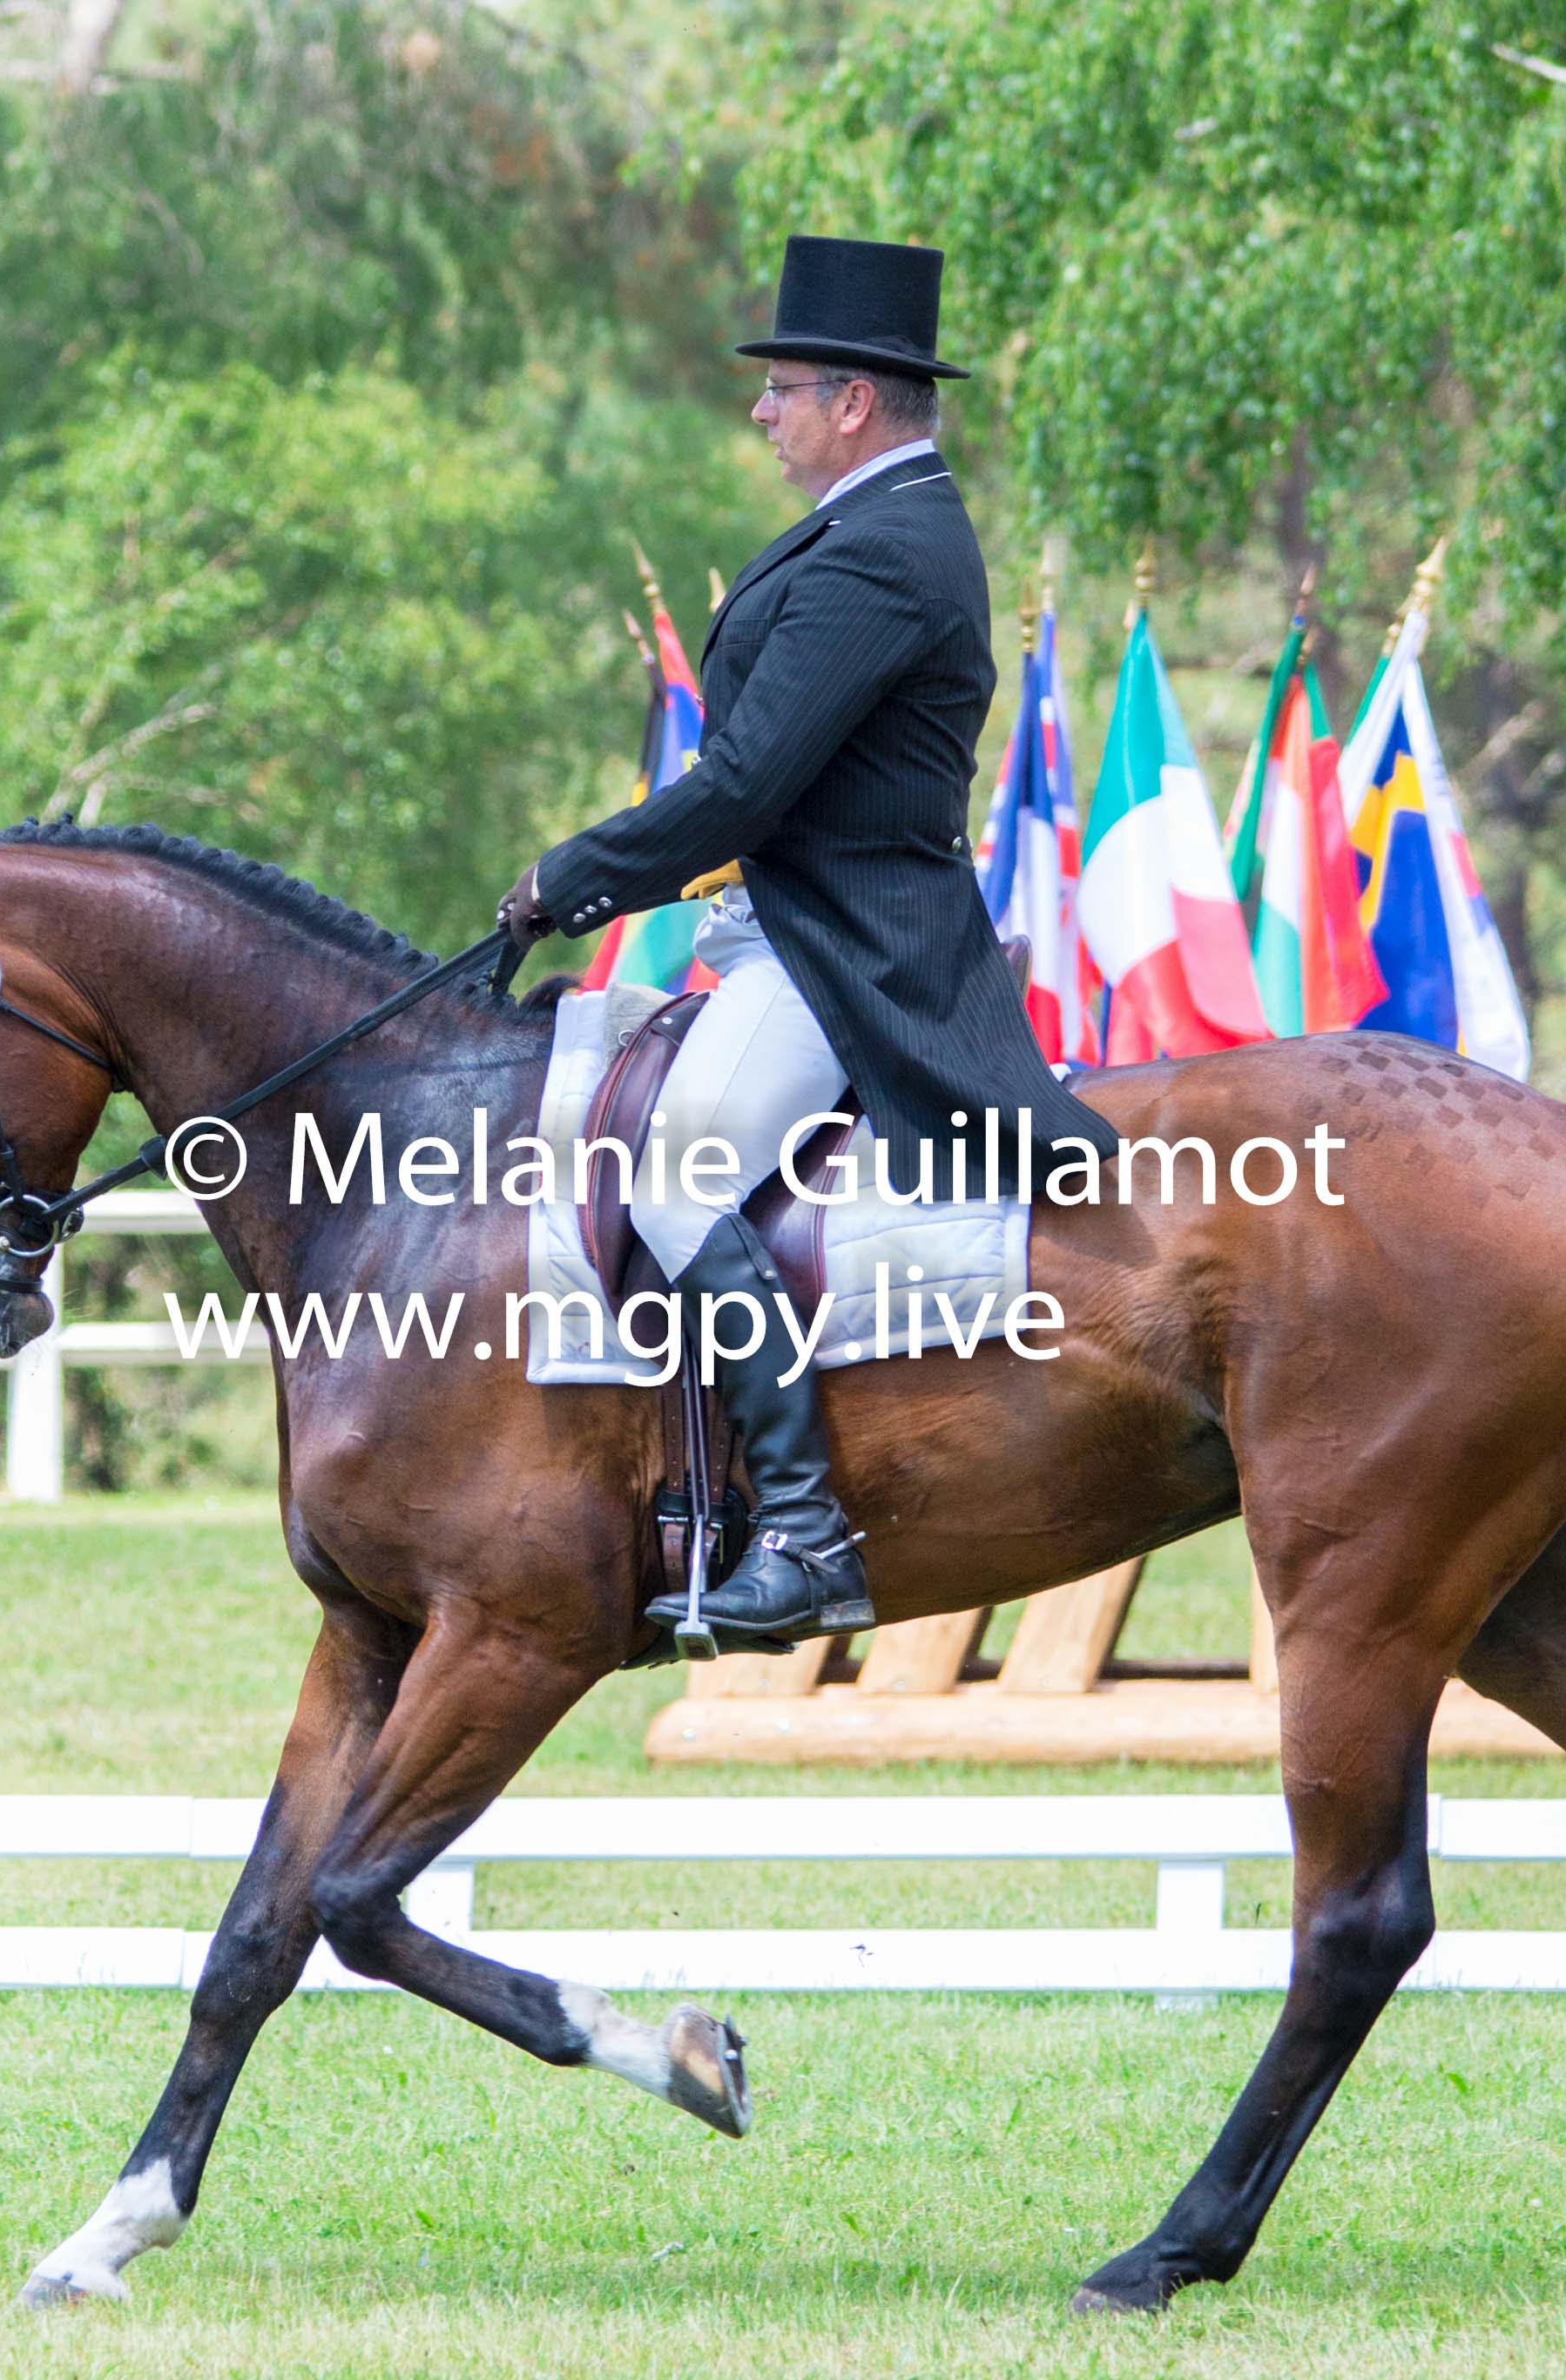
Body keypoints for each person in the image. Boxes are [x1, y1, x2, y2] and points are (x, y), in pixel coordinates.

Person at [496, 234, 1121, 1652]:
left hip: (841, 952)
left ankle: (804, 1530)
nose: (760, 410)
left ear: (852, 401)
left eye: (781, 389)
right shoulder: (876, 525)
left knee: (671, 1185)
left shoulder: (887, 551)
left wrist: (568, 878)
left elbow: (743, 786)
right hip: (790, 928)